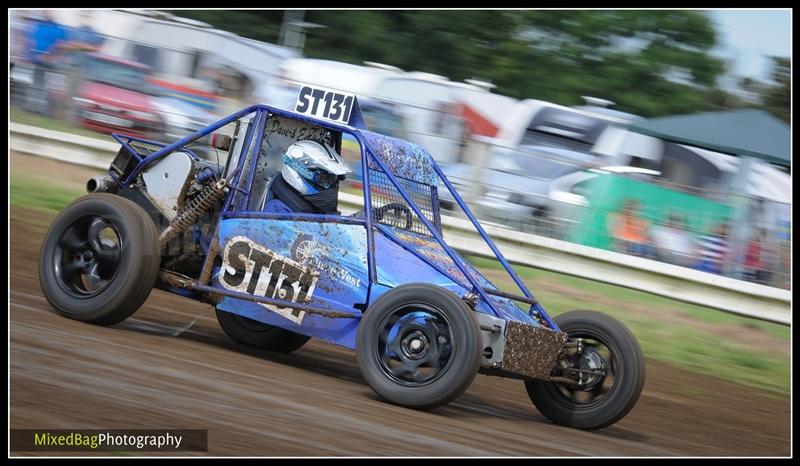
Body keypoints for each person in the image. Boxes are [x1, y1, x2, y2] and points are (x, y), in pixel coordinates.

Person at [262, 140, 353, 215]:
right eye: (324, 180)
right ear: (298, 170)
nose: (330, 186)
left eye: (333, 181)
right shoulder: (278, 211)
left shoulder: (313, 207)